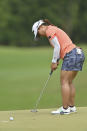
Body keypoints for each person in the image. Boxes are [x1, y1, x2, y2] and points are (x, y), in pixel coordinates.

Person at [32, 19, 85, 115]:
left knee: (64, 82)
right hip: (79, 53)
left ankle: (65, 109)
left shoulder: (49, 30)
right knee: (69, 82)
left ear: (40, 27)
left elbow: (57, 47)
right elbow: (61, 46)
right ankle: (71, 107)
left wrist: (53, 62)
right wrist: (56, 60)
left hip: (71, 54)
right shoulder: (54, 29)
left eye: (38, 33)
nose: (40, 35)